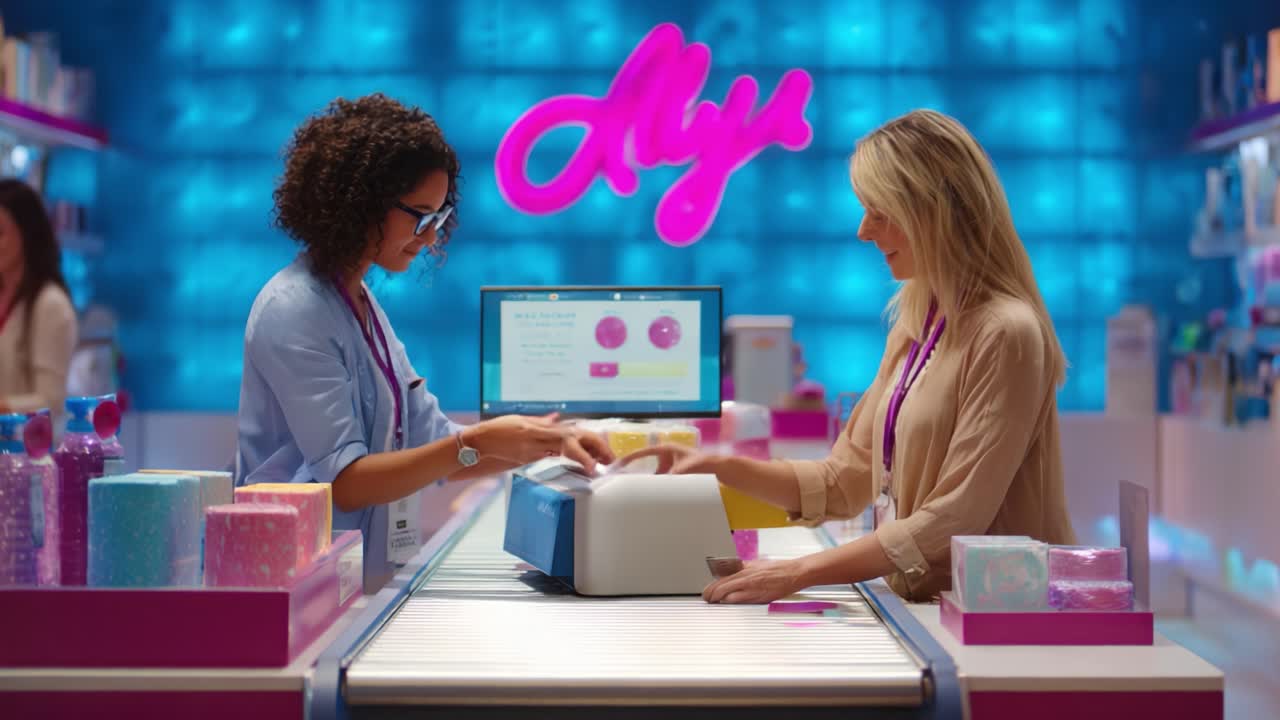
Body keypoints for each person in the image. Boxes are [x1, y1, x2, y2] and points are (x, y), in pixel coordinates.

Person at [621, 109, 1077, 604]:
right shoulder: (917, 325)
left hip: (1003, 618)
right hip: (934, 611)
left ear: (933, 210)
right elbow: (841, 482)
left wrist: (799, 572)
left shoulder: (1006, 332)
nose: (864, 231)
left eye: (880, 211)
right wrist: (715, 466)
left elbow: (954, 517)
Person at [236, 94, 613, 576]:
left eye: (437, 218)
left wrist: (541, 441)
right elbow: (347, 482)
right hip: (292, 580)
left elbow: (436, 447)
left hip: (352, 577)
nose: (431, 236)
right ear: (359, 202)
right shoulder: (295, 310)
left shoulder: (359, 304)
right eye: (419, 215)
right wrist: (479, 440)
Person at [0, 179, 78, 416]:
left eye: (0, 233)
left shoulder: (49, 305)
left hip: (27, 449)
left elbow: (51, 400)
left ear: (27, 234)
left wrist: (3, 407)